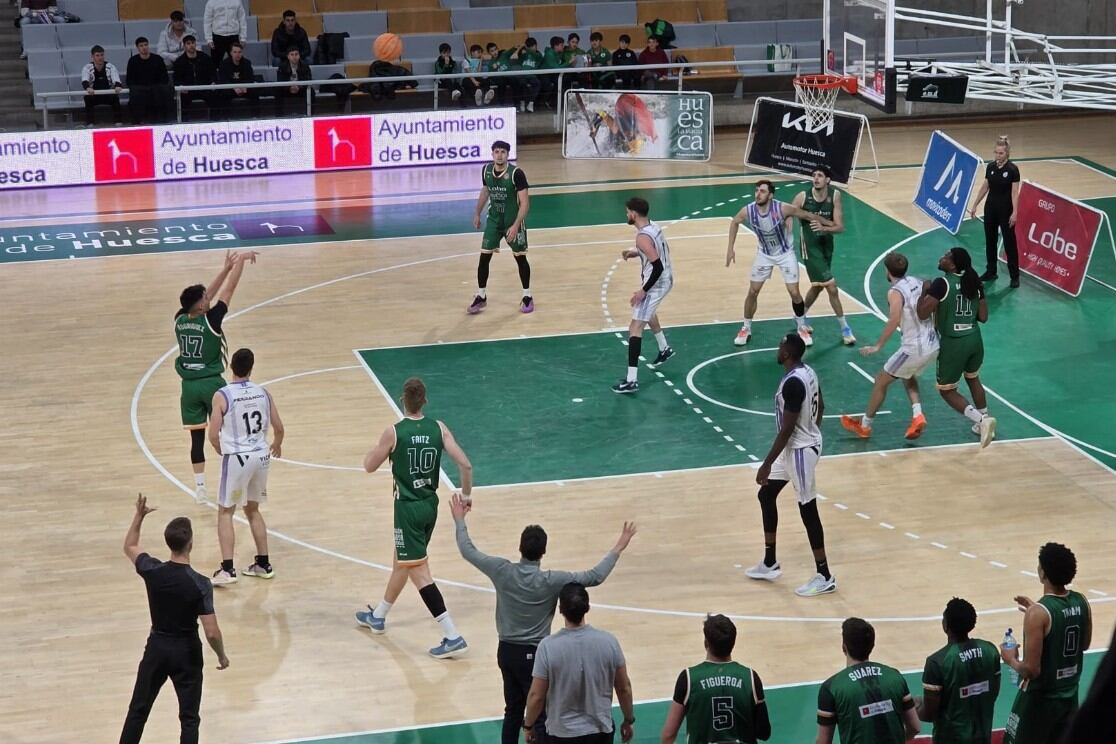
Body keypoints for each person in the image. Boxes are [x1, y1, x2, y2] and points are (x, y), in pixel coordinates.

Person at [451, 493, 637, 744]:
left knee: (513, 710)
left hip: (506, 652)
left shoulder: (501, 570)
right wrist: (619, 546)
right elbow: (595, 576)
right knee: (540, 714)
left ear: (520, 548)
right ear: (544, 551)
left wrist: (459, 520)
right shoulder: (552, 581)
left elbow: (467, 550)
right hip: (536, 654)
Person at [355, 377, 474, 659]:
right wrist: (466, 496)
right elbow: (466, 464)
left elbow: (369, 466)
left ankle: (452, 634)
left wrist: (377, 449)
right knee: (403, 561)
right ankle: (379, 616)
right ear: (425, 401)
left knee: (419, 572)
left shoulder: (394, 432)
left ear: (402, 400)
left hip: (407, 509)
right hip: (429, 506)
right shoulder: (439, 428)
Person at [119, 495, 229, 744]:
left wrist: (139, 516)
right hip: (187, 652)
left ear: (169, 543)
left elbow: (130, 546)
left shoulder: (153, 570)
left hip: (157, 648)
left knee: (138, 710)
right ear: (190, 544)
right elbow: (211, 632)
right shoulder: (200, 584)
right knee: (189, 718)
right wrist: (222, 655)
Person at [746, 333, 836, 597]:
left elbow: (786, 430)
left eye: (780, 346)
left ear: (787, 353)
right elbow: (822, 406)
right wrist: (812, 432)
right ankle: (770, 561)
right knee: (766, 494)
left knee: (808, 510)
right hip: (800, 446)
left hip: (798, 451)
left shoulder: (793, 384)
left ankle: (825, 575)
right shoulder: (808, 371)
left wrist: (766, 464)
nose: (777, 349)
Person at [175, 250, 256, 504]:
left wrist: (224, 268)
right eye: (204, 298)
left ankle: (200, 488)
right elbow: (229, 291)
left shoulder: (179, 319)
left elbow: (206, 296)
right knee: (228, 435)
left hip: (188, 387)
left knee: (197, 439)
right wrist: (239, 265)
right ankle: (235, 481)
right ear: (200, 305)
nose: (207, 298)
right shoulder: (212, 320)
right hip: (212, 385)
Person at [840, 252, 939, 441]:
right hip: (933, 343)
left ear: (887, 271)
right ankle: (918, 415)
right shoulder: (918, 282)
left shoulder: (894, 292)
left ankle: (865, 426)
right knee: (907, 375)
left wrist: (878, 346)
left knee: (880, 381)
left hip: (914, 348)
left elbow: (894, 319)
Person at [206, 348, 284, 586]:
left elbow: (212, 434)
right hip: (261, 457)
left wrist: (221, 449)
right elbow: (279, 428)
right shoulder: (263, 393)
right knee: (253, 510)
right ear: (251, 368)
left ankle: (228, 569)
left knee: (226, 511)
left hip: (238, 458)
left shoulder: (222, 395)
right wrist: (277, 445)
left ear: (231, 366)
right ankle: (263, 563)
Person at [1002, 542, 1092, 744]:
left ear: (1042, 572)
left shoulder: (1039, 613)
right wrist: (1040, 616)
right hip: (1069, 696)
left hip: (1041, 702)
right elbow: (1084, 644)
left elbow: (1031, 671)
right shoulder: (1082, 601)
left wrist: (1011, 660)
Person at [726, 180, 833, 348]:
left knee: (794, 293)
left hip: (785, 254)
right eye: (756, 191)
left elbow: (806, 215)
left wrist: (829, 223)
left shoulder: (782, 208)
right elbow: (735, 222)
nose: (757, 194)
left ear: (770, 195)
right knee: (753, 291)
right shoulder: (748, 210)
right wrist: (730, 248)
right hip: (764, 254)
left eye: (762, 191)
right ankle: (746, 328)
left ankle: (801, 326)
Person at [524, 583, 635, 743]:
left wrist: (528, 726)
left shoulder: (547, 647)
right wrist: (628, 720)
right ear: (587, 607)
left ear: (560, 610)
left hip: (561, 735)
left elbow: (537, 696)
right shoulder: (609, 642)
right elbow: (624, 688)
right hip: (599, 733)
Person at [916, 247, 997, 448]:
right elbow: (984, 317)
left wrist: (923, 293)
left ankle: (982, 421)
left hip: (954, 343)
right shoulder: (974, 282)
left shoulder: (941, 284)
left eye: (945, 257)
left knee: (947, 390)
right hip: (974, 339)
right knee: (973, 377)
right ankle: (985, 419)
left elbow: (923, 314)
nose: (941, 258)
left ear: (952, 265)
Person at [660, 614, 772, 744]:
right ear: (733, 643)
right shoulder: (751, 678)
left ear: (706, 643)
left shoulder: (688, 678)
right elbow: (764, 733)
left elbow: (668, 735)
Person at [816, 617, 921, 743]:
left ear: (844, 647)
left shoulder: (831, 687)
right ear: (872, 645)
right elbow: (915, 727)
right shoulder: (894, 676)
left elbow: (823, 741)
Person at [916, 597, 1000, 744]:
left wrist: (910, 708)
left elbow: (930, 714)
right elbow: (992, 694)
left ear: (946, 625)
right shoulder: (990, 651)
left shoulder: (937, 662)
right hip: (982, 738)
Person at [612, 196, 674, 394]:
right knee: (648, 313)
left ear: (634, 213)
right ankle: (664, 348)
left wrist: (643, 291)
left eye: (627, 211)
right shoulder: (653, 227)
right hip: (665, 278)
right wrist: (636, 252)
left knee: (635, 326)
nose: (626, 214)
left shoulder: (642, 237)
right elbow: (660, 250)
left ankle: (631, 380)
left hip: (656, 283)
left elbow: (657, 266)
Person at [468, 141, 532, 314]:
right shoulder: (486, 170)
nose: (499, 155)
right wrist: (477, 213)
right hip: (494, 222)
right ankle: (481, 295)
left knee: (520, 258)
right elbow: (485, 191)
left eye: (503, 152)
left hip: (513, 221)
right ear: (492, 154)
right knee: (484, 257)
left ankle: (527, 296)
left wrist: (516, 225)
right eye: (496, 152)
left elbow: (525, 203)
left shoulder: (516, 174)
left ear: (507, 154)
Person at [794, 167, 855, 345]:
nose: (816, 178)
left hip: (826, 245)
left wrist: (824, 228)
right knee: (832, 286)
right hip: (809, 246)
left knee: (818, 286)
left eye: (820, 176)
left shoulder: (835, 196)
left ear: (828, 180)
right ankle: (845, 329)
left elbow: (840, 227)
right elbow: (789, 213)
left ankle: (800, 315)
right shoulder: (802, 197)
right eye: (814, 175)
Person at [968, 136, 1021, 288]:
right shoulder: (990, 167)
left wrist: (1015, 212)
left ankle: (1014, 276)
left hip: (1006, 211)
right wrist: (975, 204)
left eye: (1001, 153)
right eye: (996, 153)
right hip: (990, 209)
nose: (998, 156)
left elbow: (1014, 192)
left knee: (1010, 243)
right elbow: (985, 186)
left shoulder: (1012, 170)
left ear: (1007, 153)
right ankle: (991, 271)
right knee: (990, 241)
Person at [126, 37, 171, 124]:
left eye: (146, 45)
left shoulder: (157, 59)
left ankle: (161, 120)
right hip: (140, 89)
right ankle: (139, 121)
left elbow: (164, 77)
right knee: (136, 93)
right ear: (137, 48)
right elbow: (130, 79)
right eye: (141, 45)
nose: (144, 47)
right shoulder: (133, 61)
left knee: (161, 91)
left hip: (156, 88)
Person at [173, 35, 218, 117]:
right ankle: (184, 123)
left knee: (216, 96)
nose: (191, 45)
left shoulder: (205, 58)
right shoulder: (179, 61)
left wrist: (213, 82)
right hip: (188, 90)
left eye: (193, 43)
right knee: (182, 100)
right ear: (184, 46)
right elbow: (176, 79)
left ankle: (215, 121)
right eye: (188, 43)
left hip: (204, 88)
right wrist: (181, 86)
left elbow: (213, 73)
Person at [80, 45, 123, 127]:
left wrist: (117, 86)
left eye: (102, 55)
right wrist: (88, 88)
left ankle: (118, 122)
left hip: (108, 95)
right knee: (87, 98)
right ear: (92, 57)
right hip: (94, 95)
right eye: (97, 55)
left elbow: (116, 79)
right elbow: (84, 80)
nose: (100, 57)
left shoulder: (111, 66)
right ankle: (90, 123)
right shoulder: (87, 67)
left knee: (115, 98)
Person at [217, 41, 258, 118]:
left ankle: (255, 117)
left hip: (244, 88)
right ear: (231, 53)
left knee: (254, 92)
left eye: (239, 52)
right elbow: (222, 80)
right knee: (223, 94)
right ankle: (226, 118)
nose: (237, 54)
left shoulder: (247, 63)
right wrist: (234, 88)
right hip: (230, 88)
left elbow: (250, 78)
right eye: (235, 52)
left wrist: (245, 86)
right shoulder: (224, 64)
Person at [204, 0, 247, 66]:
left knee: (237, 62)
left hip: (233, 36)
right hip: (217, 36)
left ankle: (237, 76)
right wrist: (208, 39)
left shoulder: (237, 1)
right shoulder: (211, 2)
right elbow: (207, 21)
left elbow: (242, 19)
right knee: (215, 63)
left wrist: (243, 37)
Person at [274, 46, 312, 116]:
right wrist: (289, 88)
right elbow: (280, 80)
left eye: (296, 54)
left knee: (311, 92)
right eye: (292, 54)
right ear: (288, 56)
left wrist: (299, 87)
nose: (294, 57)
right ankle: (279, 116)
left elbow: (308, 79)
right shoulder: (282, 66)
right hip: (287, 89)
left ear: (299, 55)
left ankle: (309, 114)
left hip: (300, 89)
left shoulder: (305, 66)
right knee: (278, 91)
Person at [516, 37, 543, 112]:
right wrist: (522, 52)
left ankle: (531, 103)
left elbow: (537, 56)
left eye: (534, 46)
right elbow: (519, 59)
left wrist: (527, 49)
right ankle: (522, 103)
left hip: (532, 75)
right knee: (521, 83)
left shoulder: (538, 54)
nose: (533, 48)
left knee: (537, 83)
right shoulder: (524, 54)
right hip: (523, 74)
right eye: (530, 46)